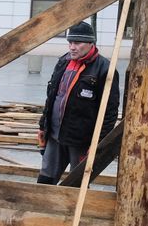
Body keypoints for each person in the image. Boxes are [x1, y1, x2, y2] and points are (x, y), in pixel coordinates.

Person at [36, 21, 119, 185]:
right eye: (70, 42)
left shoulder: (105, 70)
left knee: (77, 184)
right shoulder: (63, 62)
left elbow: (109, 113)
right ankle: (41, 210)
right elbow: (51, 97)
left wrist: (98, 145)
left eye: (77, 43)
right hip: (55, 136)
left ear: (90, 43)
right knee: (45, 180)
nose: (72, 47)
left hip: (81, 140)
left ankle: (71, 211)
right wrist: (43, 126)